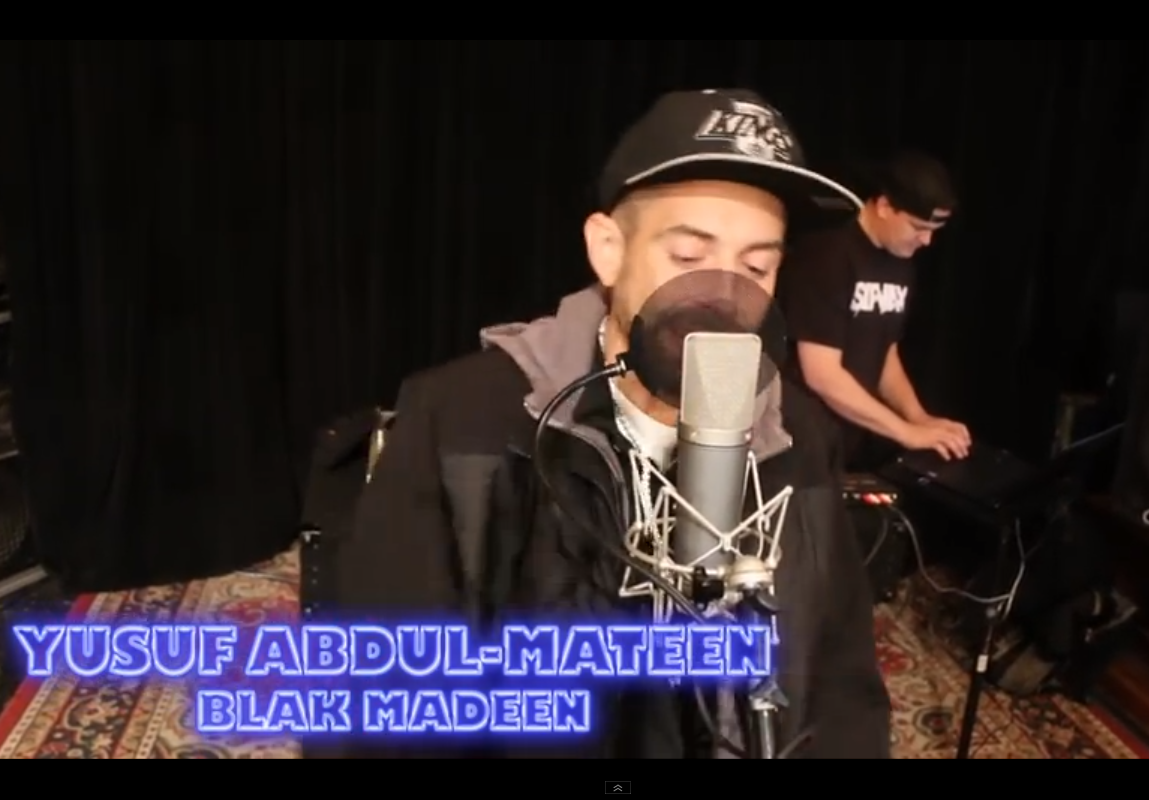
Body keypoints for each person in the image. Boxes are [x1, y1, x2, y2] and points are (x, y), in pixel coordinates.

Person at [327, 89, 891, 759]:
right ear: (608, 249)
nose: (723, 296)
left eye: (756, 267)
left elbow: (840, 676)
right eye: (688, 257)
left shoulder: (797, 433)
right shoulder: (459, 420)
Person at [779, 150, 971, 471]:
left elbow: (885, 353)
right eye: (917, 227)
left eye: (933, 230)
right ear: (884, 206)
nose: (926, 240)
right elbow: (822, 374)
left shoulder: (900, 262)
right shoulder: (828, 256)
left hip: (845, 444)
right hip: (797, 443)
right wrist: (906, 432)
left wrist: (918, 417)